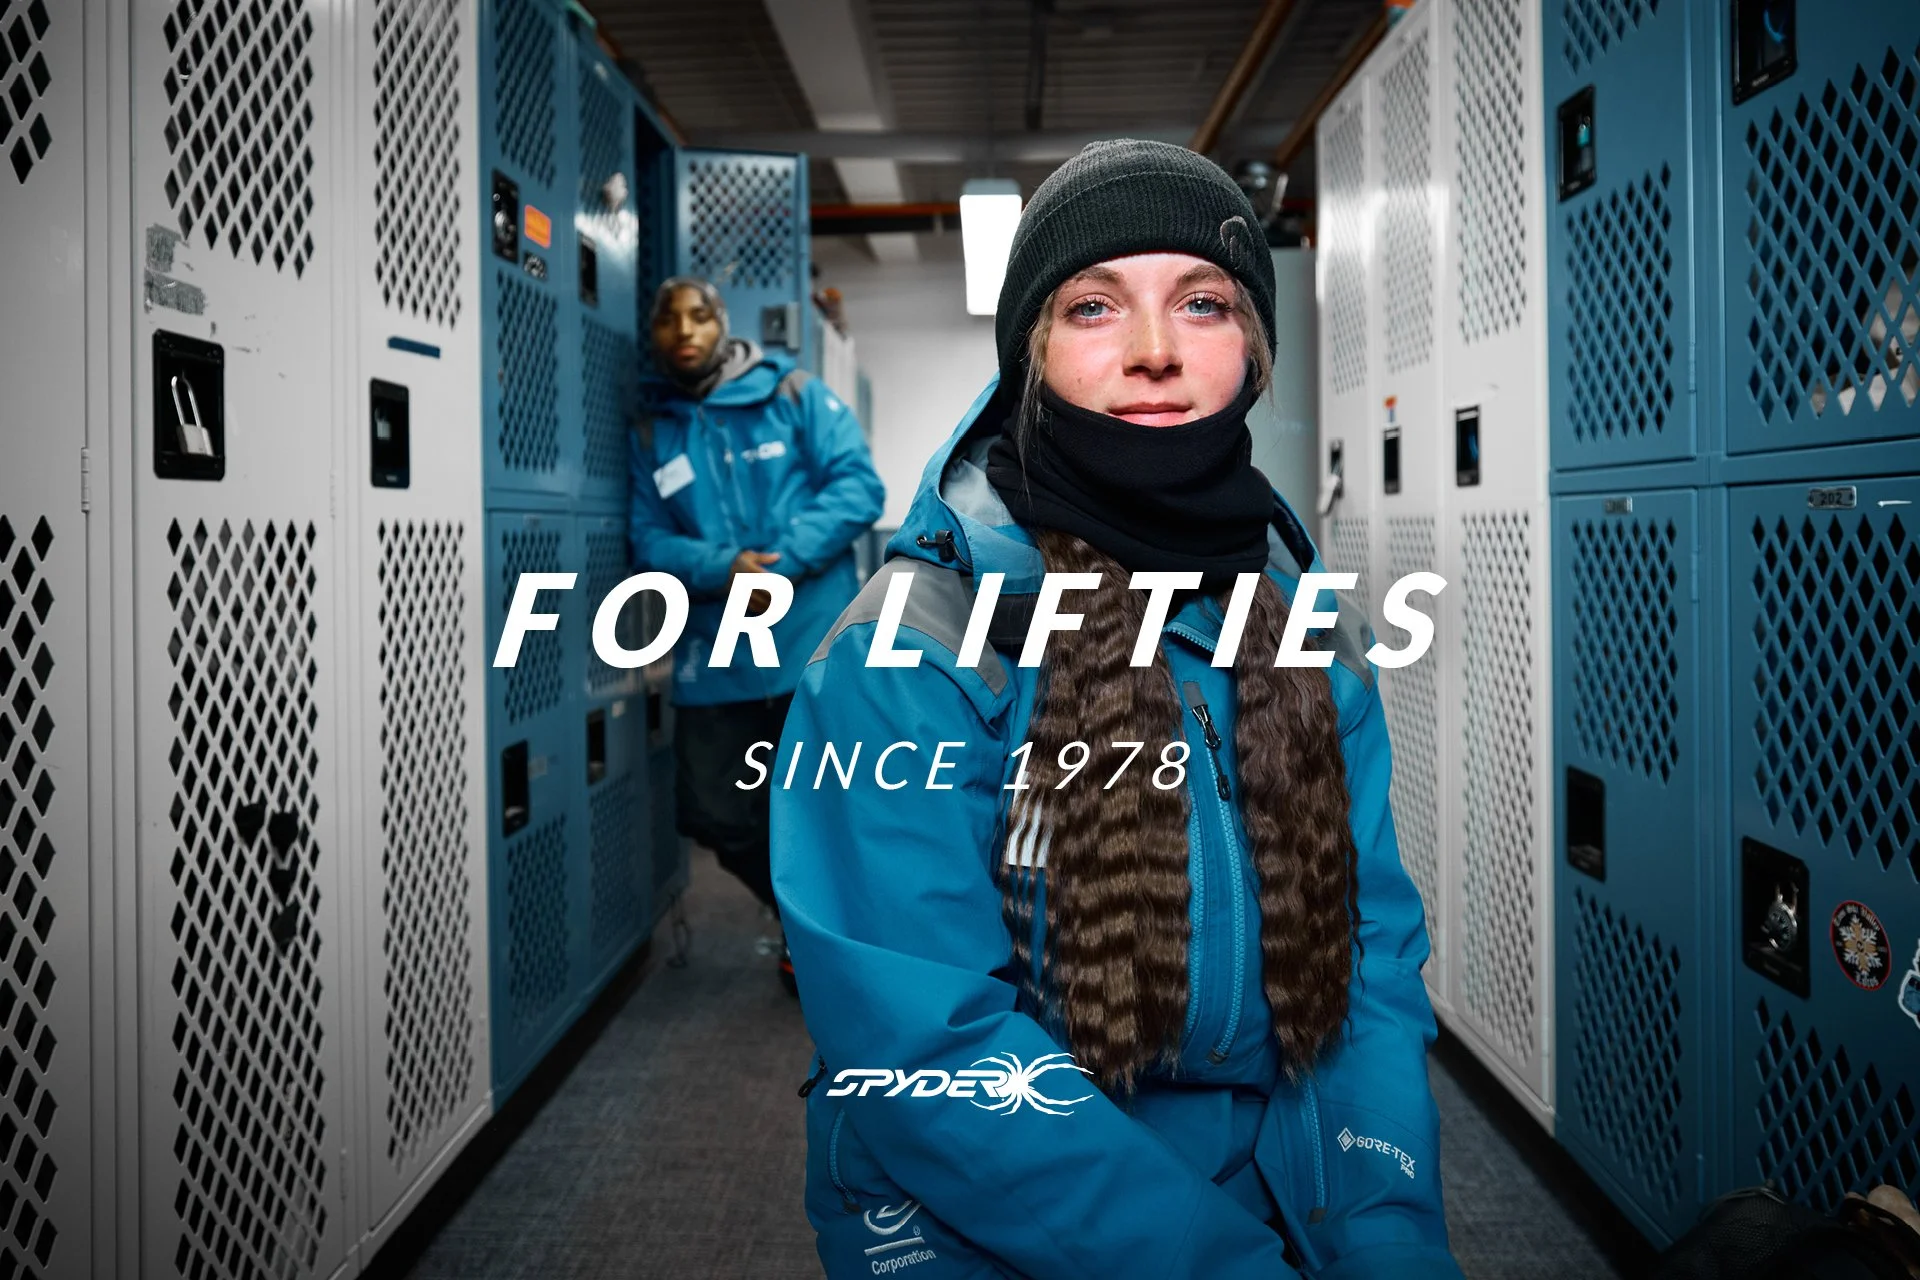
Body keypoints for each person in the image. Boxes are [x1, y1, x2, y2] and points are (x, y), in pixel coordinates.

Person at [772, 140, 1459, 1277]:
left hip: (1273, 1171)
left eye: (1202, 302)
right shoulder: (914, 646)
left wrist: (1387, 1225)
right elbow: (932, 1054)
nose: (1153, 352)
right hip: (979, 1215)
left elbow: (1368, 964)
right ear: (1031, 354)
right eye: (1095, 307)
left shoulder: (1305, 620)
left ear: (1252, 349)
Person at [629, 276, 884, 990]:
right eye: (668, 320)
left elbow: (858, 487)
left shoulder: (793, 395)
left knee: (832, 797)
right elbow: (646, 538)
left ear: (723, 324)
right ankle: (808, 917)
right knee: (711, 809)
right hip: (717, 648)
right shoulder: (653, 431)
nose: (684, 330)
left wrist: (784, 560)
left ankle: (827, 939)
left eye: (698, 316)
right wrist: (720, 566)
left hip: (811, 640)